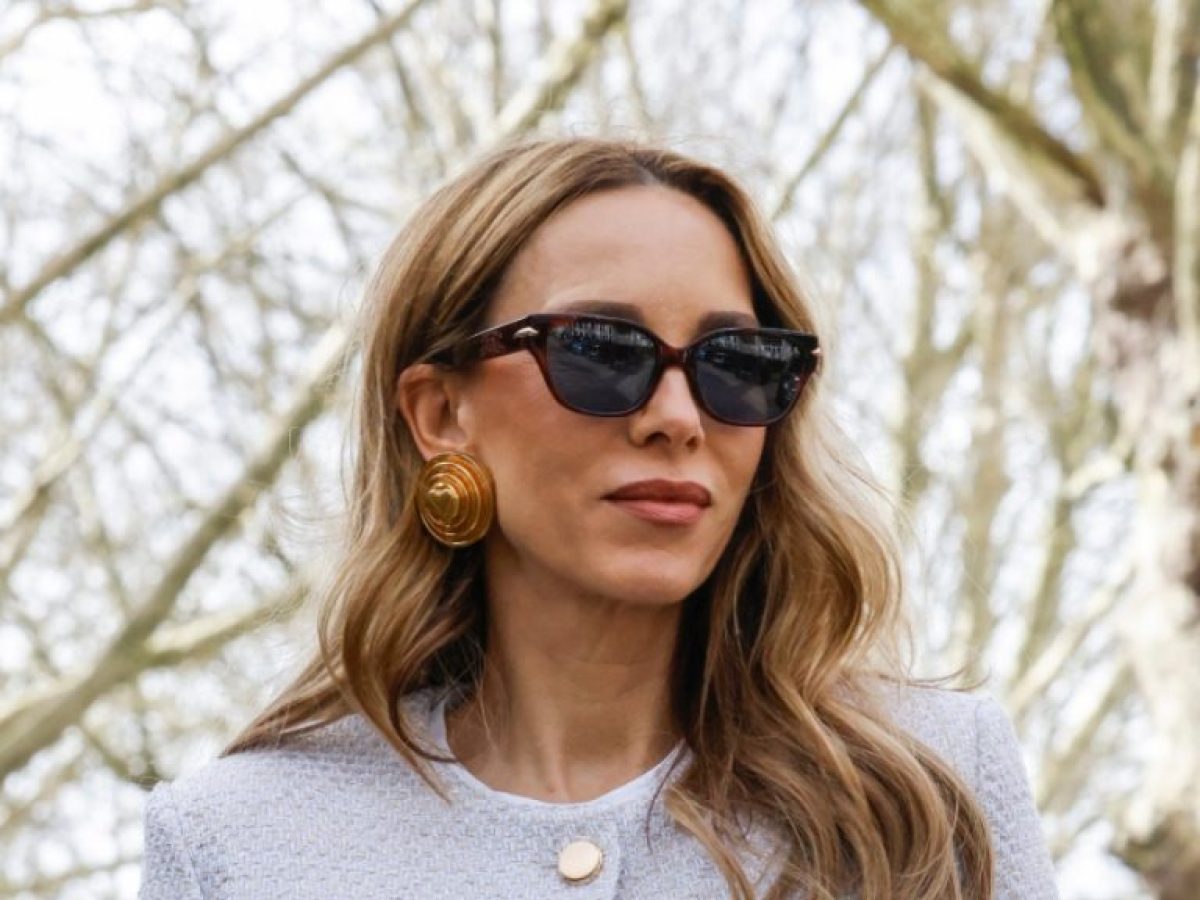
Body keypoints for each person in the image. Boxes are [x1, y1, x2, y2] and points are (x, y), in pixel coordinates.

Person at [138, 136, 1060, 899]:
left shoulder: (928, 789)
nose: (677, 418)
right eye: (602, 350)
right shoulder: (239, 844)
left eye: (736, 363)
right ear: (441, 413)